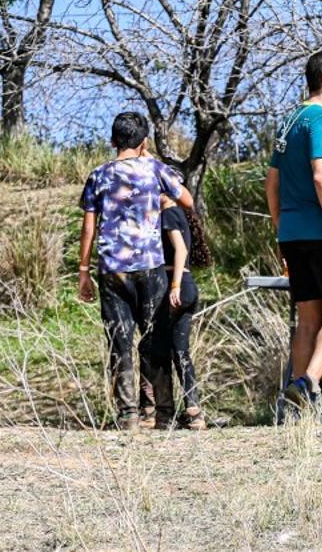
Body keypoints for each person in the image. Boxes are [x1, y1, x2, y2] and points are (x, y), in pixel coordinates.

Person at [77, 111, 193, 430]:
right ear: (144, 142)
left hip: (112, 268)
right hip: (150, 265)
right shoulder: (154, 168)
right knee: (156, 339)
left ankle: (128, 413)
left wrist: (83, 271)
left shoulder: (98, 175)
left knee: (119, 339)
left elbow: (89, 228)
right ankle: (164, 412)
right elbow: (186, 199)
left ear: (112, 141)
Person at [265, 50, 322, 416]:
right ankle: (308, 383)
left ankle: (291, 404)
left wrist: (281, 227)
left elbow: (271, 183)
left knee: (308, 320)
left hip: (293, 233)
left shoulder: (290, 121)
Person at [137, 194, 211, 430]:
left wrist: (174, 286)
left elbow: (179, 249)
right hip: (189, 286)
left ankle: (156, 411)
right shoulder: (179, 214)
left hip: (175, 286)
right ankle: (194, 410)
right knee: (180, 350)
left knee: (151, 348)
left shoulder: (169, 214)